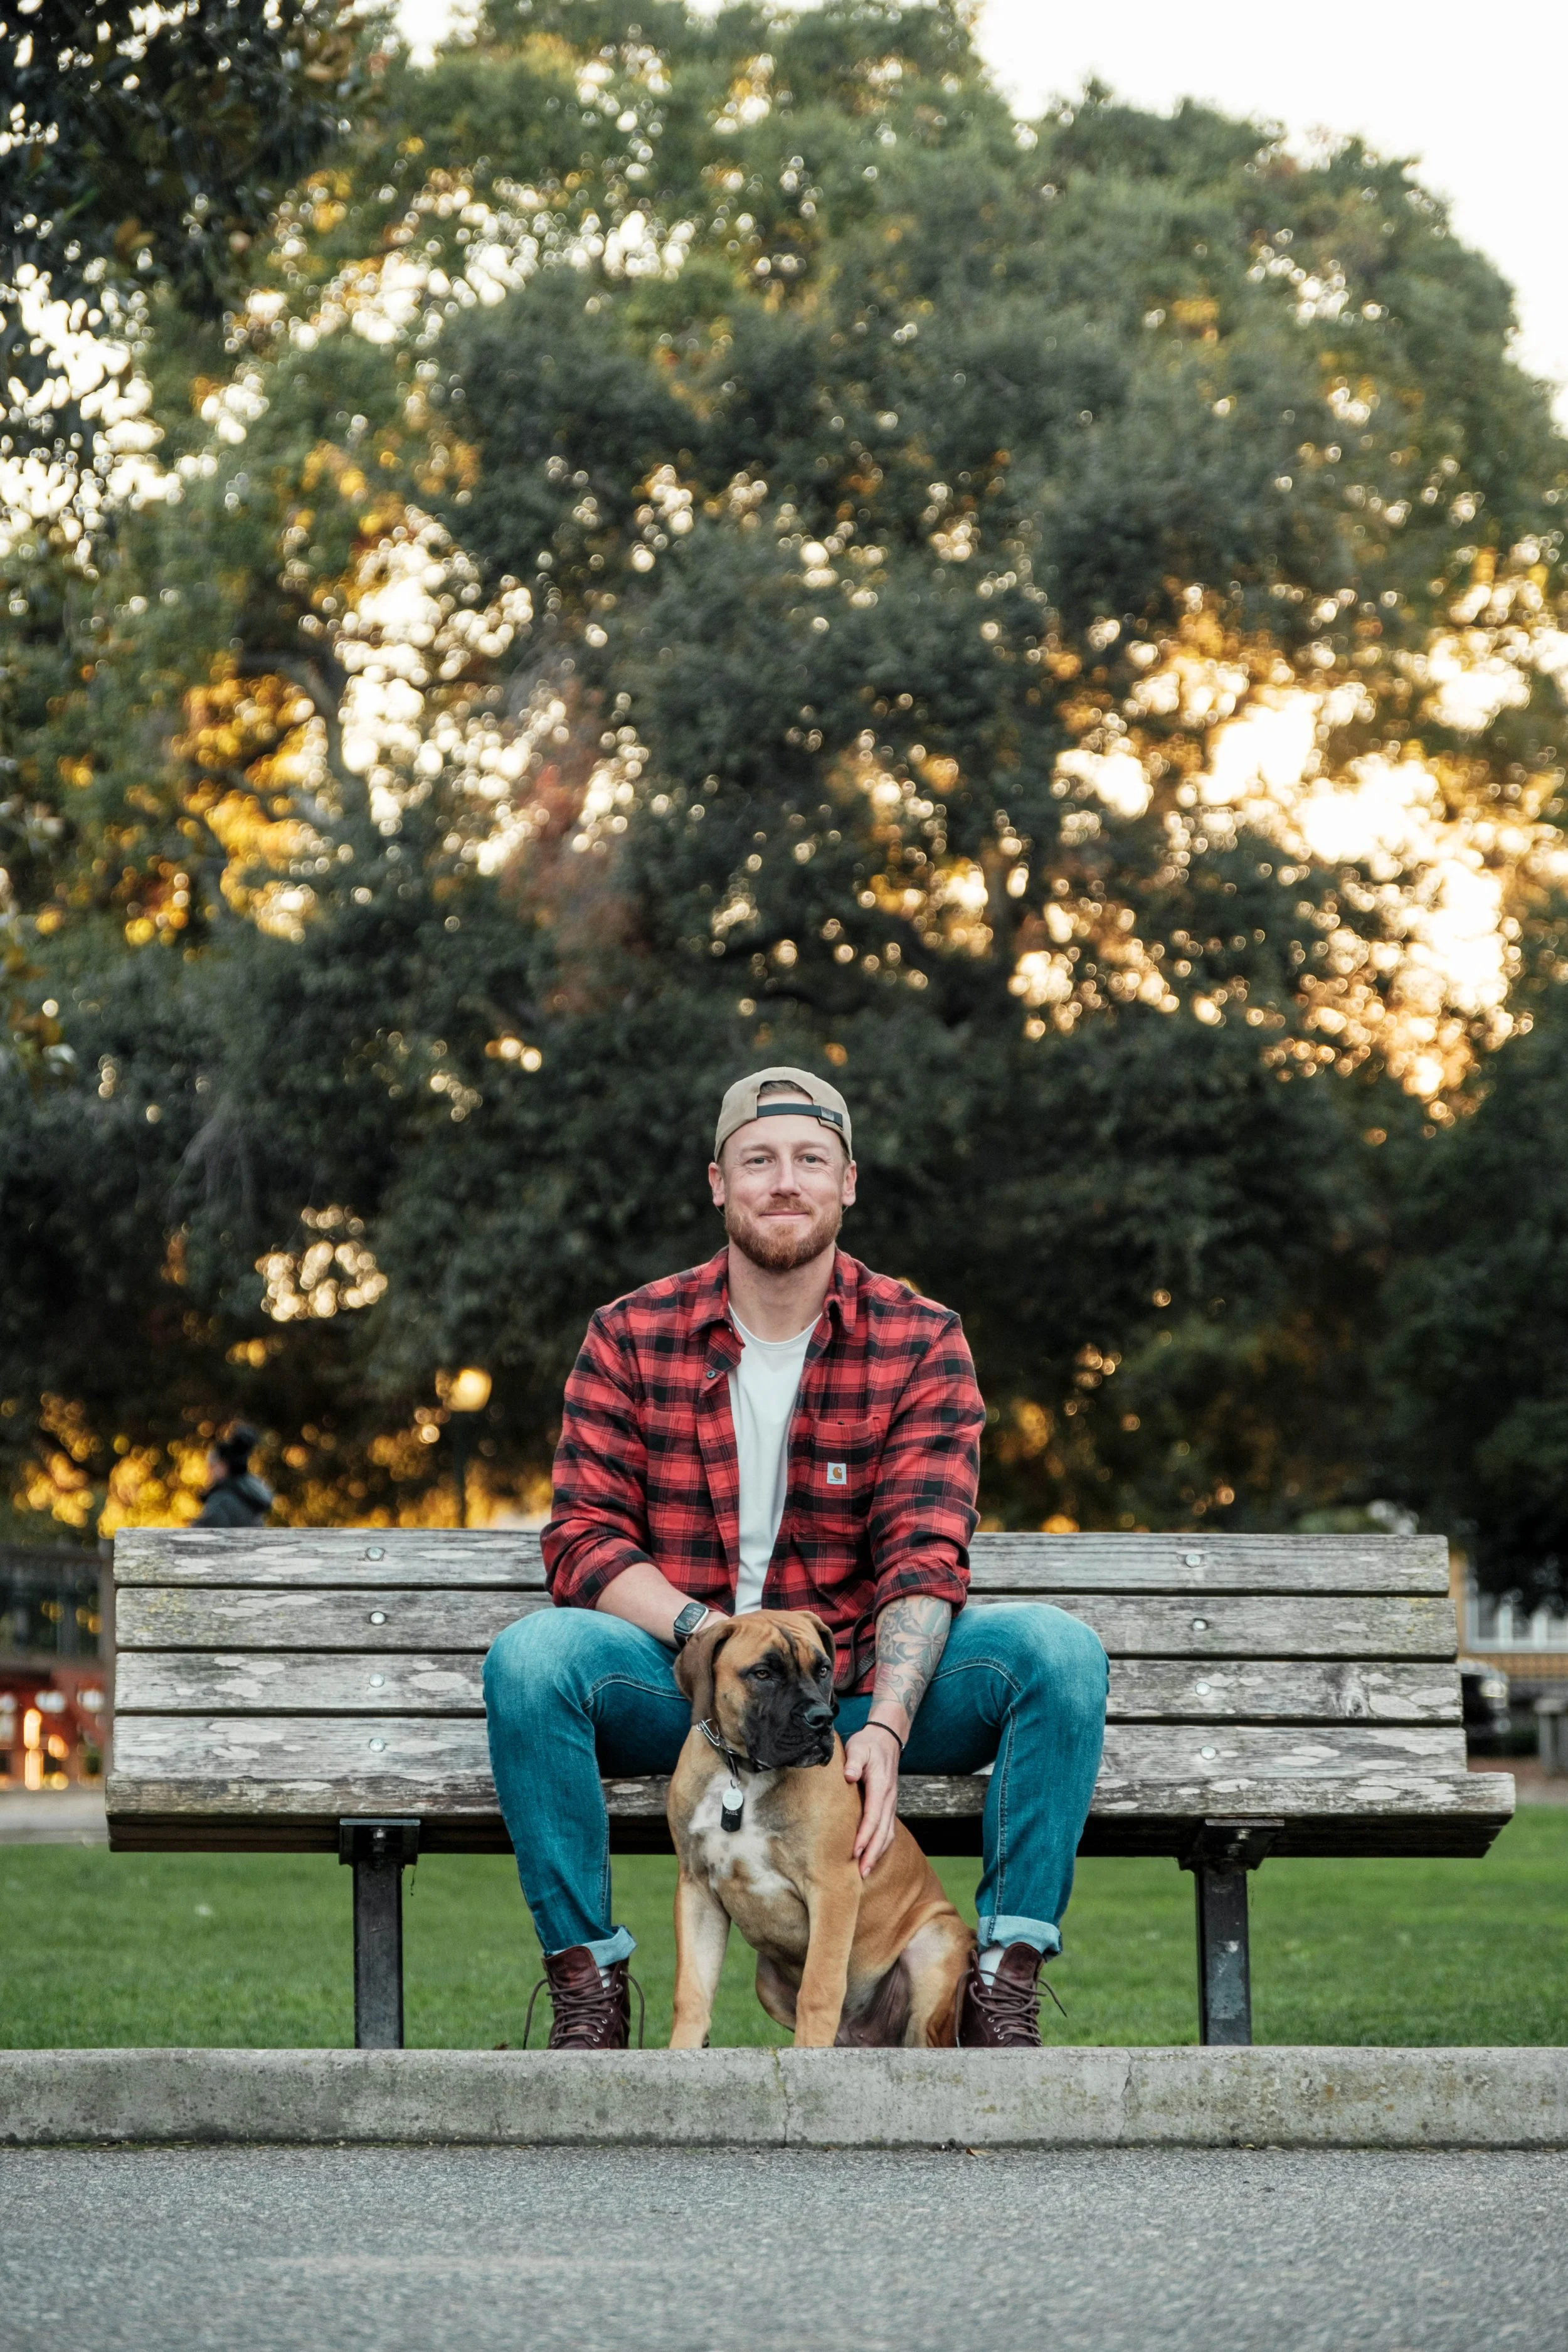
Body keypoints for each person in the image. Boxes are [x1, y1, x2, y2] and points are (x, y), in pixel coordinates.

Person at [484, 1067, 1108, 2050]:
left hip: (858, 1696)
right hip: (691, 1692)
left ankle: (997, 1984)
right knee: (530, 1660)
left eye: (810, 1159)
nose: (785, 1181)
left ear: (847, 1182)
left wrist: (891, 1725)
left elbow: (925, 1552)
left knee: (1057, 1654)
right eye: (759, 1159)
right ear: (718, 1182)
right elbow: (582, 1538)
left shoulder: (919, 1337)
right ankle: (589, 1988)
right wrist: (708, 1639)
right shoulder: (631, 1333)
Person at [193, 1423, 273, 1528]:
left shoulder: (222, 1500)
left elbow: (200, 1535)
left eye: (212, 1467)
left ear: (223, 1466)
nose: (209, 1473)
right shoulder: (252, 1494)